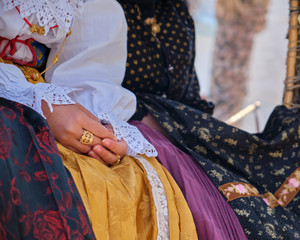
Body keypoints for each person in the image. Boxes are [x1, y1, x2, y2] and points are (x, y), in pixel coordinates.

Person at [115, 0, 300, 239]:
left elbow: (189, 93)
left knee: (291, 145)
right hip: (141, 133)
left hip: (187, 132)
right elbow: (99, 91)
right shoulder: (111, 9)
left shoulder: (175, 9)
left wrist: (205, 136)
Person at [0, 0, 198, 239]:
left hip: (53, 104)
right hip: (15, 104)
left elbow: (90, 70)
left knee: (131, 179)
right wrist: (37, 102)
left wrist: (100, 129)